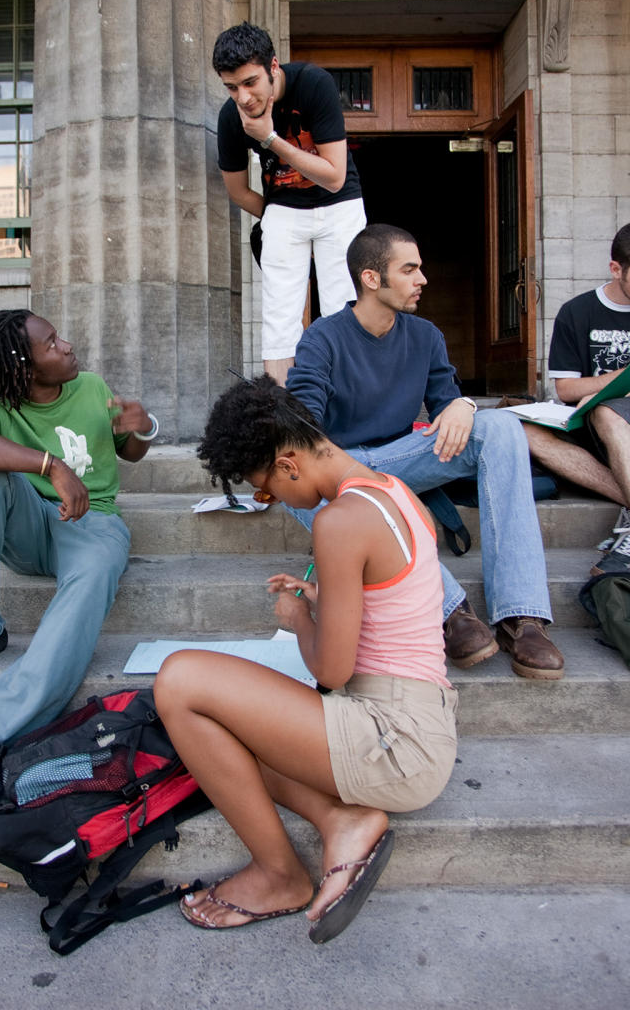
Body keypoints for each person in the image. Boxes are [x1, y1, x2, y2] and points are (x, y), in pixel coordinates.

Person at [154, 375, 457, 943]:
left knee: (178, 683)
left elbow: (331, 672)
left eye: (264, 490)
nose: (270, 501)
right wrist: (326, 600)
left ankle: (279, 875)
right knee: (219, 722)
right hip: (413, 721)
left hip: (394, 740)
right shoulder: (392, 491)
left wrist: (298, 621)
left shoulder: (338, 521)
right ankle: (339, 819)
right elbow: (398, 599)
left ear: (289, 464)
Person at [285, 223, 564, 679]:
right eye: (410, 269)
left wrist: (462, 403)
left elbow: (445, 402)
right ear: (372, 278)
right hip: (344, 473)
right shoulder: (323, 338)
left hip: (404, 457)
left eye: (420, 269)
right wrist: (333, 463)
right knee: (300, 478)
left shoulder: (426, 335)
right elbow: (303, 416)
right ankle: (452, 612)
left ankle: (522, 616)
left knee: (501, 426)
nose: (423, 280)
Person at [0, 309, 157, 805]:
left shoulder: (90, 386)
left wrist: (139, 429)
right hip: (28, 524)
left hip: (92, 523)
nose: (65, 346)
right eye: (50, 343)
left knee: (97, 573)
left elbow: (128, 454)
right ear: (23, 367)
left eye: (58, 336)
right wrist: (48, 464)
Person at [213, 22, 366, 385]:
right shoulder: (230, 117)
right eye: (232, 87)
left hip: (339, 202)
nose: (244, 97)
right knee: (279, 314)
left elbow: (334, 176)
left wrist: (269, 139)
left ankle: (349, 405)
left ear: (274, 67)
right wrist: (279, 217)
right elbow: (237, 192)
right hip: (282, 206)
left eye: (251, 82)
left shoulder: (313, 84)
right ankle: (285, 417)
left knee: (344, 306)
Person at [522, 224, 630, 574]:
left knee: (608, 413)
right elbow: (566, 390)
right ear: (616, 269)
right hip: (588, 424)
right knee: (523, 431)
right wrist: (616, 379)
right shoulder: (578, 311)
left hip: (618, 421)